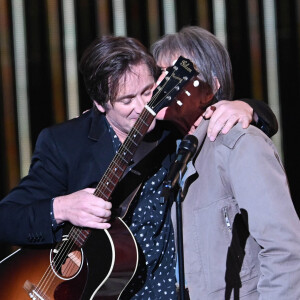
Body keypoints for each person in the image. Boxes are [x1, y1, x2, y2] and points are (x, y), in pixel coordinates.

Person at [0, 35, 277, 299]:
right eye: (126, 100)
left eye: (147, 91)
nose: (144, 107)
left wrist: (248, 108)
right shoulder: (65, 143)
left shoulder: (170, 124)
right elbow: (7, 219)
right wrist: (61, 208)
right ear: (99, 103)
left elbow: (240, 120)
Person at [152, 26, 300, 299]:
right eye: (159, 72)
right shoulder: (169, 150)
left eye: (175, 72)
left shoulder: (239, 143)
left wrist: (251, 111)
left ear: (213, 85)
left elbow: (284, 250)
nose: (162, 83)